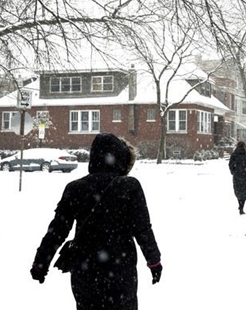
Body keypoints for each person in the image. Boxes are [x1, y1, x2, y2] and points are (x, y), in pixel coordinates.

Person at [30, 132, 162, 310]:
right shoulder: (129, 186)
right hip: (120, 272)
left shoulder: (75, 188)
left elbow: (57, 230)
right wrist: (154, 261)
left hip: (85, 272)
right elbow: (143, 228)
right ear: (120, 158)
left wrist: (40, 263)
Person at [229, 141, 246, 215]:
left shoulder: (234, 154)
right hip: (245, 175)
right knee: (244, 191)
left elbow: (230, 164)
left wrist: (233, 171)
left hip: (237, 175)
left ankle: (240, 204)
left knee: (238, 191)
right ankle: (242, 206)